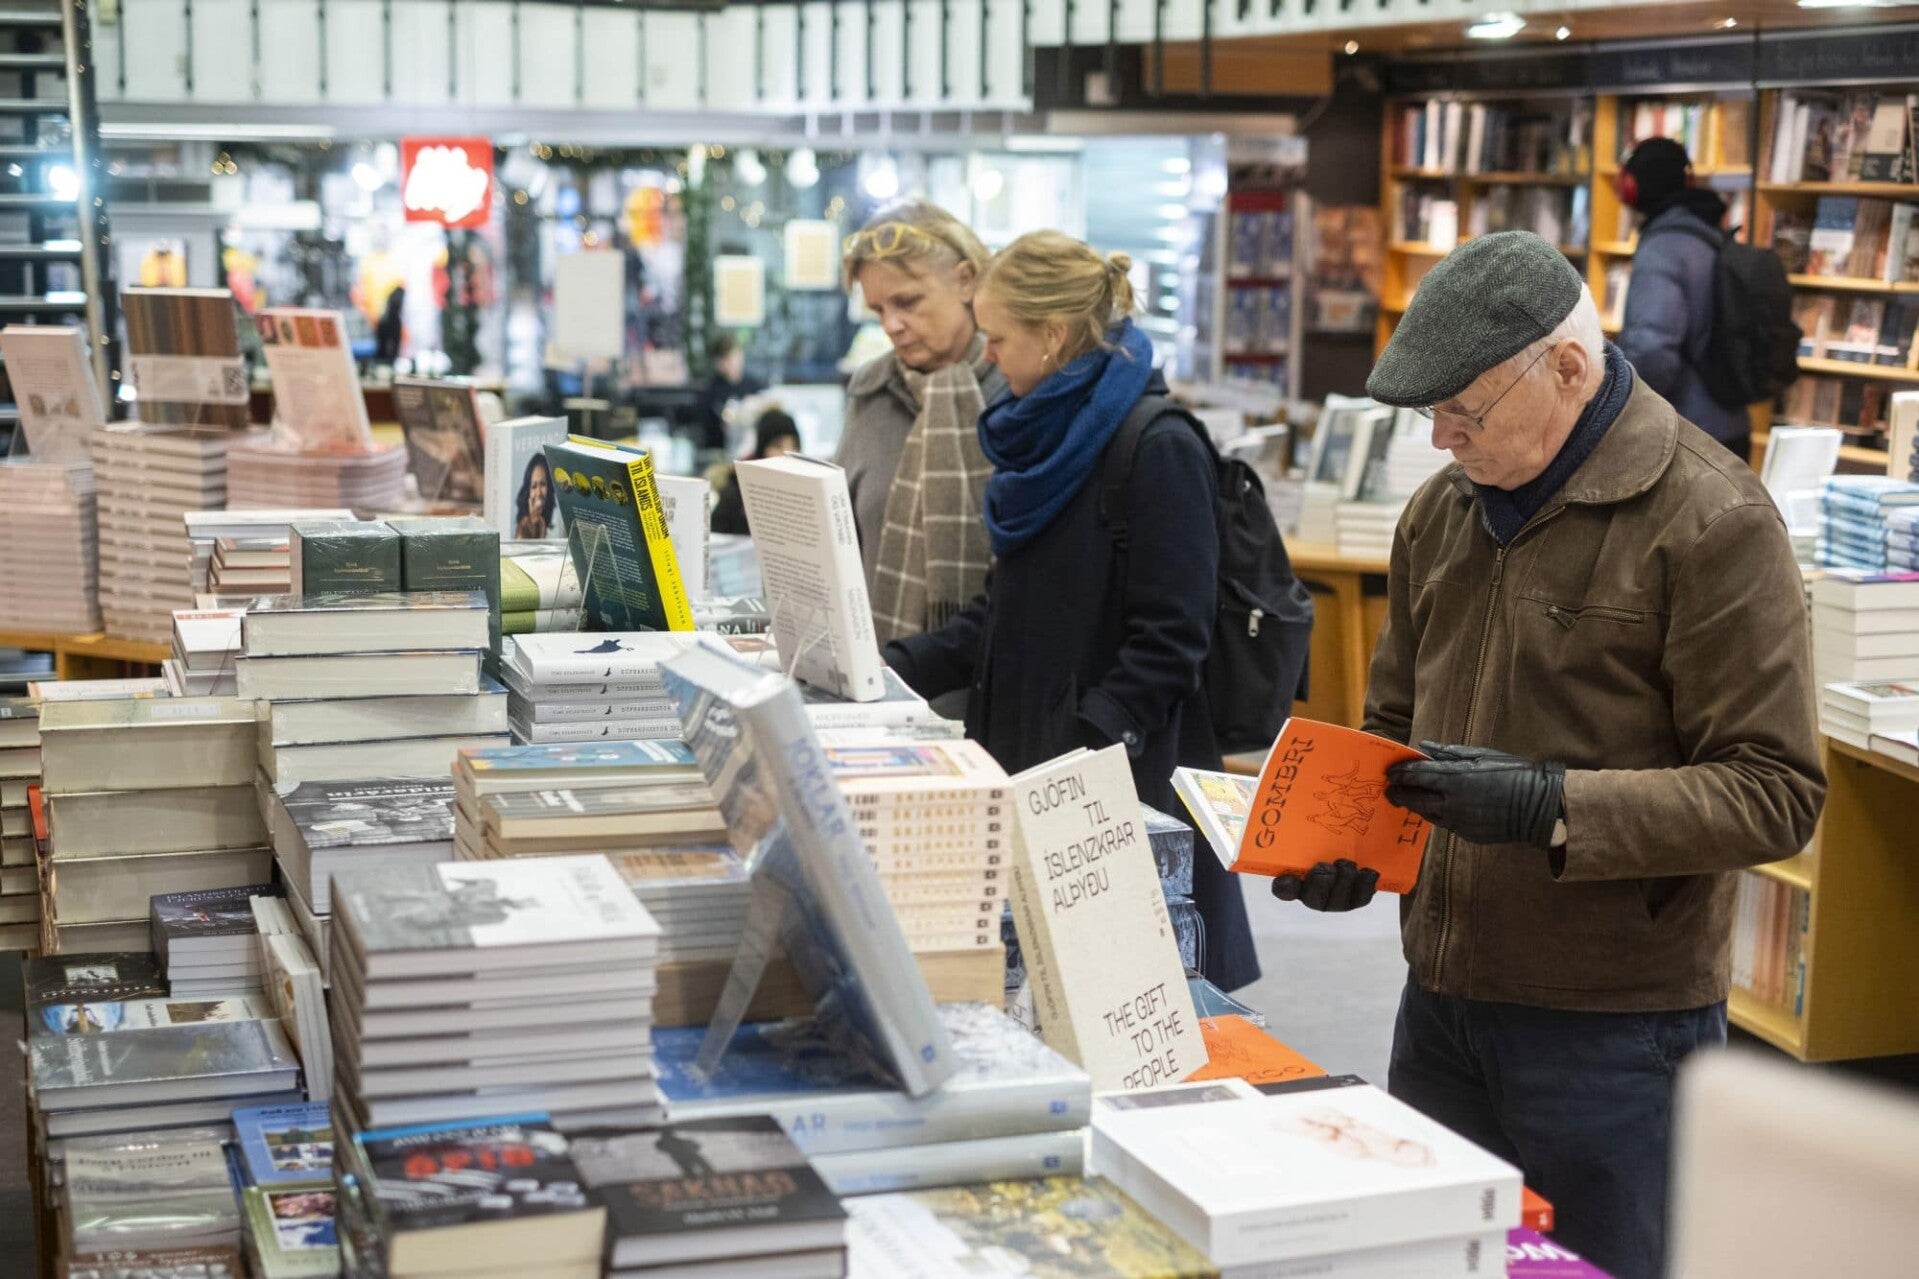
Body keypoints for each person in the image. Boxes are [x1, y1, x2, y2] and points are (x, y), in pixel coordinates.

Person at [1274, 231, 1824, 1279]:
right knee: (1440, 1261)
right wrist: (1344, 844)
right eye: (1428, 416)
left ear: (1567, 369)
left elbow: (1773, 791)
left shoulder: (1709, 520)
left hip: (1614, 1025)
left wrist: (1551, 805)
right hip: (1438, 997)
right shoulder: (1443, 512)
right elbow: (1390, 727)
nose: (1438, 441)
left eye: (1461, 413)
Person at [884, 231, 1259, 992]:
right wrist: (893, 664)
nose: (987, 357)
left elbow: (1171, 640)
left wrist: (1082, 743)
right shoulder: (1041, 447)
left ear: (1052, 335)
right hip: (1029, 764)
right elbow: (1006, 612)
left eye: (997, 338)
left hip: (1115, 795)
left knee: (1123, 1005)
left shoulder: (1157, 446)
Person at [838, 201, 1004, 644]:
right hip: (881, 681)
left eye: (908, 302)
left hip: (993, 683)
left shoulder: (1018, 388)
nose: (892, 324)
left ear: (966, 280)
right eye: (878, 310)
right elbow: (840, 546)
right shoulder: (870, 393)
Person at [1613, 137, 1754, 461]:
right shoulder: (1710, 235)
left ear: (1631, 187)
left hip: (1687, 436)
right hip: (1729, 426)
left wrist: (1620, 414)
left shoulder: (1663, 249)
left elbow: (1651, 350)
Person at [711, 409, 801, 537]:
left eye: (794, 445)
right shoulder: (737, 489)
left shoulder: (800, 493)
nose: (787, 453)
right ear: (762, 449)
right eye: (778, 446)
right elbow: (714, 537)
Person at [695, 332, 762, 454]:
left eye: (735, 356)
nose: (732, 362)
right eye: (726, 358)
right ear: (717, 362)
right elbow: (708, 429)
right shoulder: (710, 391)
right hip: (720, 452)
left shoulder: (755, 386)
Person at [514, 453, 556, 539]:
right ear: (528, 491)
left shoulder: (557, 523)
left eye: (543, 484)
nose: (538, 493)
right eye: (534, 486)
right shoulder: (522, 525)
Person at [373, 285, 405, 364]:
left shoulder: (394, 294)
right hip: (390, 322)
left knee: (383, 350)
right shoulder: (398, 294)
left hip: (387, 322)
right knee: (387, 349)